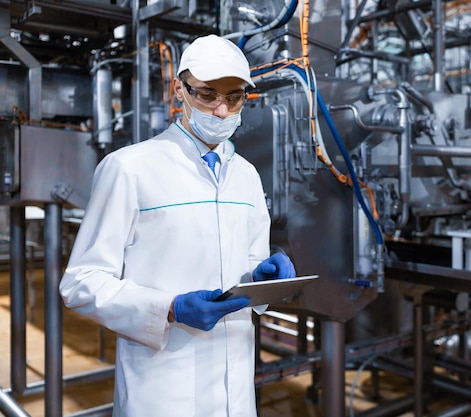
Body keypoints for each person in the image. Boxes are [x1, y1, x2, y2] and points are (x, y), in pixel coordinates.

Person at [59, 34, 296, 417]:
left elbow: (247, 271)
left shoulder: (246, 176)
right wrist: (168, 309)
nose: (221, 111)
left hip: (235, 389)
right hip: (162, 390)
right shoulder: (130, 168)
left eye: (234, 97)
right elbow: (81, 282)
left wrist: (261, 276)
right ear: (178, 90)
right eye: (207, 95)